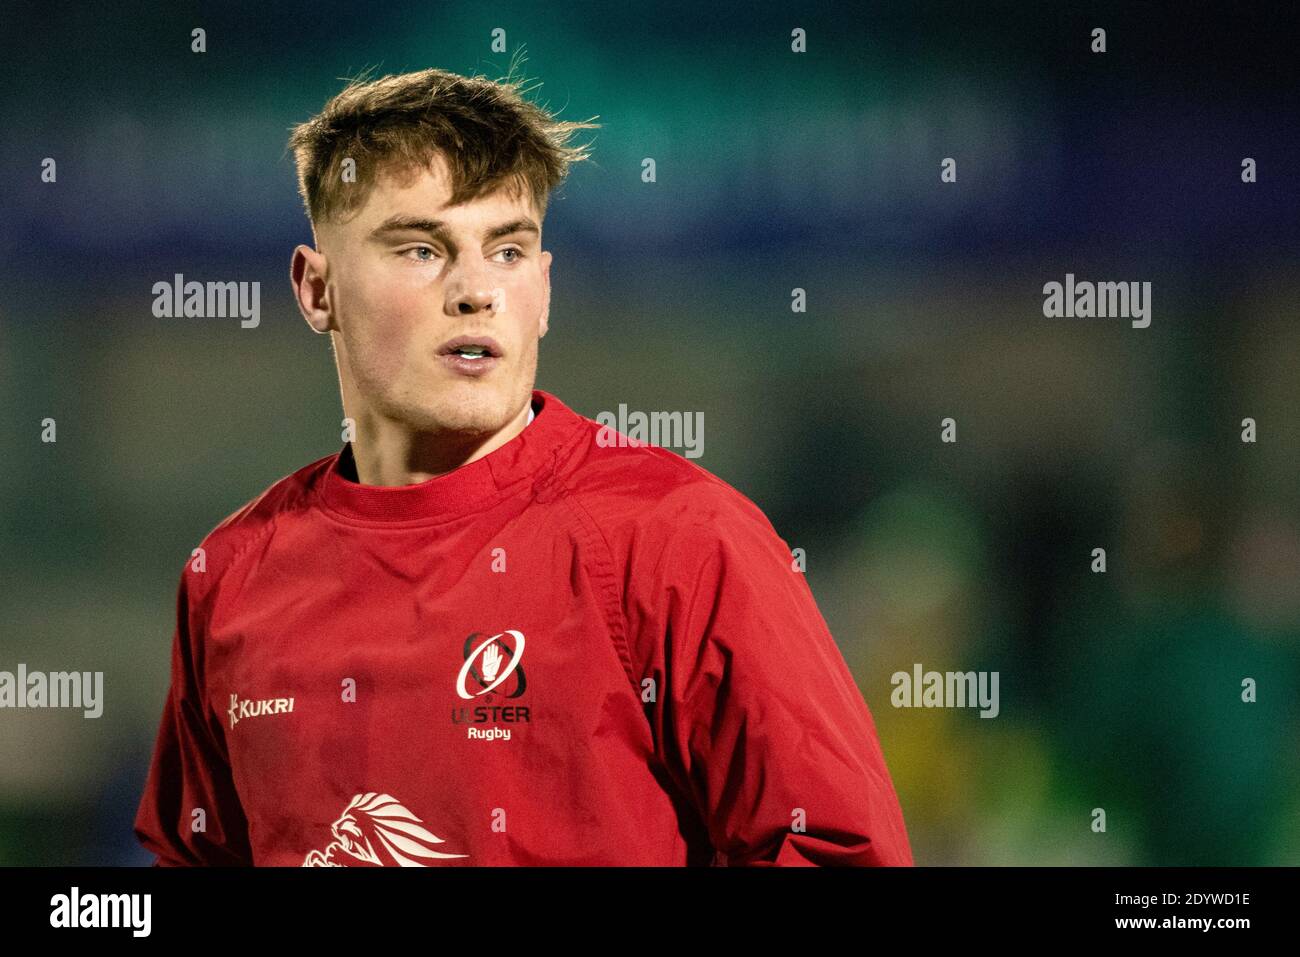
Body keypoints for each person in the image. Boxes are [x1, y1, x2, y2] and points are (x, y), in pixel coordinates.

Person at [133, 64, 913, 866]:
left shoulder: (682, 539)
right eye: (420, 248)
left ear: (543, 289)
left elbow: (838, 850)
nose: (476, 291)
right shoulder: (229, 576)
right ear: (316, 288)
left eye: (507, 250)